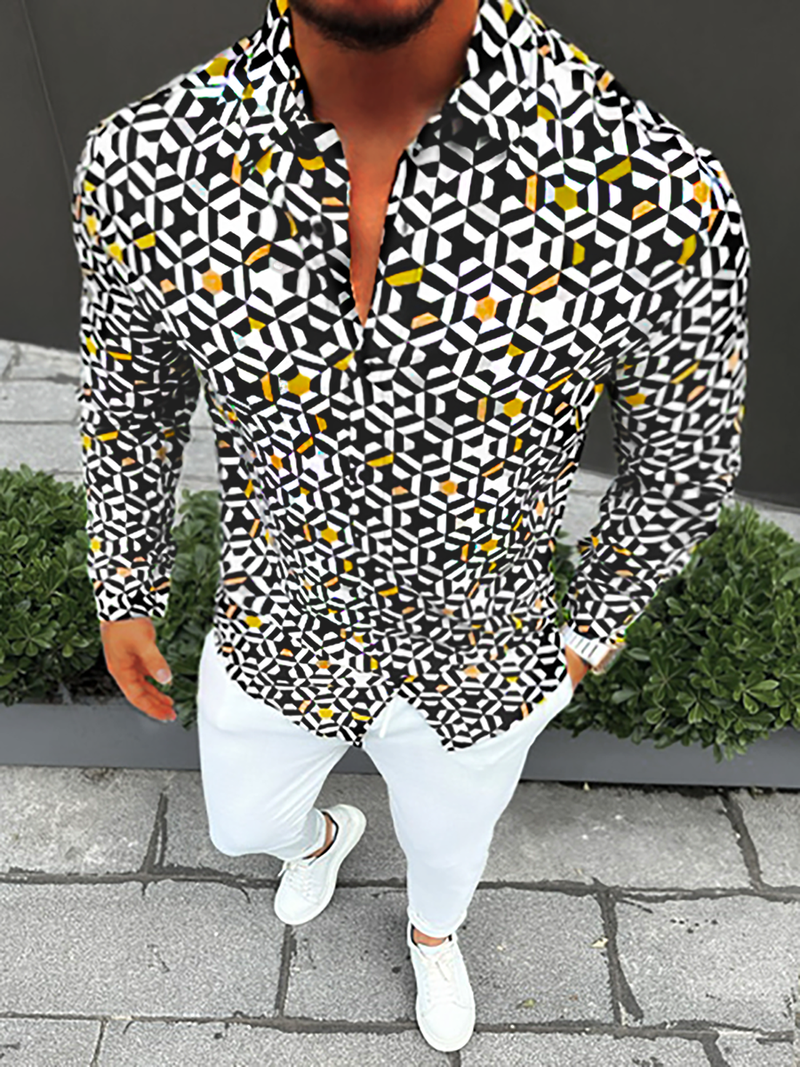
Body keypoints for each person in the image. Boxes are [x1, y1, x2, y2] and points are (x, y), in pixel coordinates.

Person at [72, 0, 750, 1052]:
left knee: (448, 849)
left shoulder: (656, 192)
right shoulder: (144, 164)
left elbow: (684, 459)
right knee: (241, 824)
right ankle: (321, 837)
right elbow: (130, 405)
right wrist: (126, 588)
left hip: (484, 647)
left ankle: (433, 932)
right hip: (282, 615)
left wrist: (586, 633)